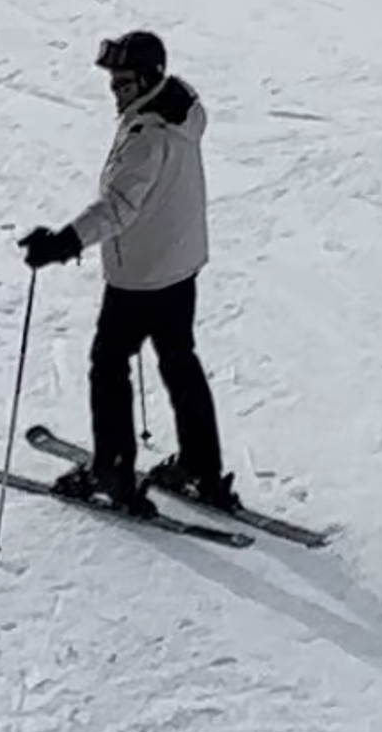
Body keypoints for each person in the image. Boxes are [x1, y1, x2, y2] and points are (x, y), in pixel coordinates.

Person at [23, 27, 239, 515]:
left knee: (108, 365)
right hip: (181, 265)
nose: (115, 93)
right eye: (113, 83)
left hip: (141, 276)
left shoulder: (146, 138)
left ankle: (113, 475)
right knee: (180, 362)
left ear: (149, 79)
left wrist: (61, 244)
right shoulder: (182, 110)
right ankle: (203, 470)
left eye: (124, 84)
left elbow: (118, 208)